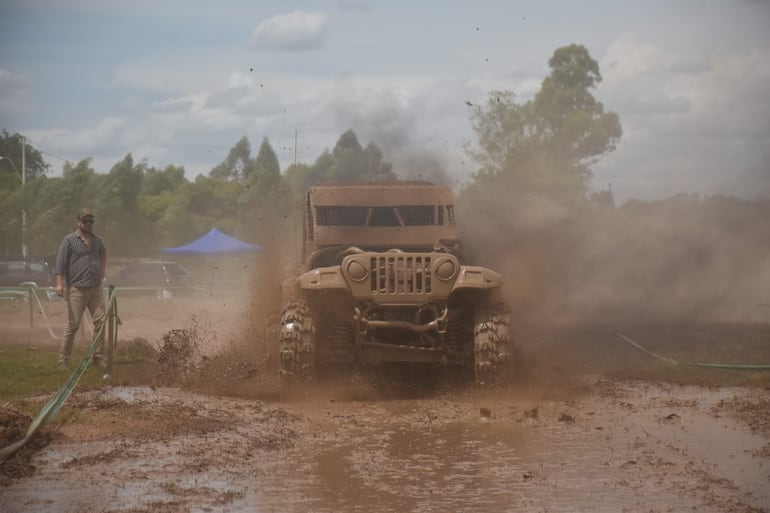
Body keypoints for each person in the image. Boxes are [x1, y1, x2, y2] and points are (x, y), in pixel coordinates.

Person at [54, 208, 107, 369]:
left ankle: (98, 357)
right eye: (85, 221)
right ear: (78, 222)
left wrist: (102, 273)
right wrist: (59, 284)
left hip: (95, 289)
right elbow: (60, 263)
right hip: (76, 289)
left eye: (91, 221)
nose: (89, 223)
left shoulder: (97, 241)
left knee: (101, 321)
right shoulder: (69, 240)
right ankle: (63, 359)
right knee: (73, 325)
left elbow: (103, 254)